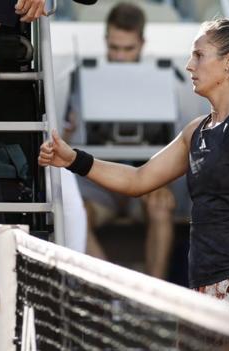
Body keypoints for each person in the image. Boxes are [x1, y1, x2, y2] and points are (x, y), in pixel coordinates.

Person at [40, 19, 229, 323]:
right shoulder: (195, 131)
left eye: (198, 55)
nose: (189, 65)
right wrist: (73, 158)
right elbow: (137, 179)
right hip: (202, 285)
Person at [69, 2, 176, 279]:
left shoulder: (161, 78)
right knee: (75, 214)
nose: (120, 56)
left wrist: (160, 182)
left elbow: (170, 140)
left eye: (127, 49)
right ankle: (110, 290)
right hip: (98, 186)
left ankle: (155, 297)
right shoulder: (81, 76)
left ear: (142, 43)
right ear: (106, 40)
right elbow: (72, 136)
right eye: (114, 47)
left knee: (161, 207)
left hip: (144, 180)